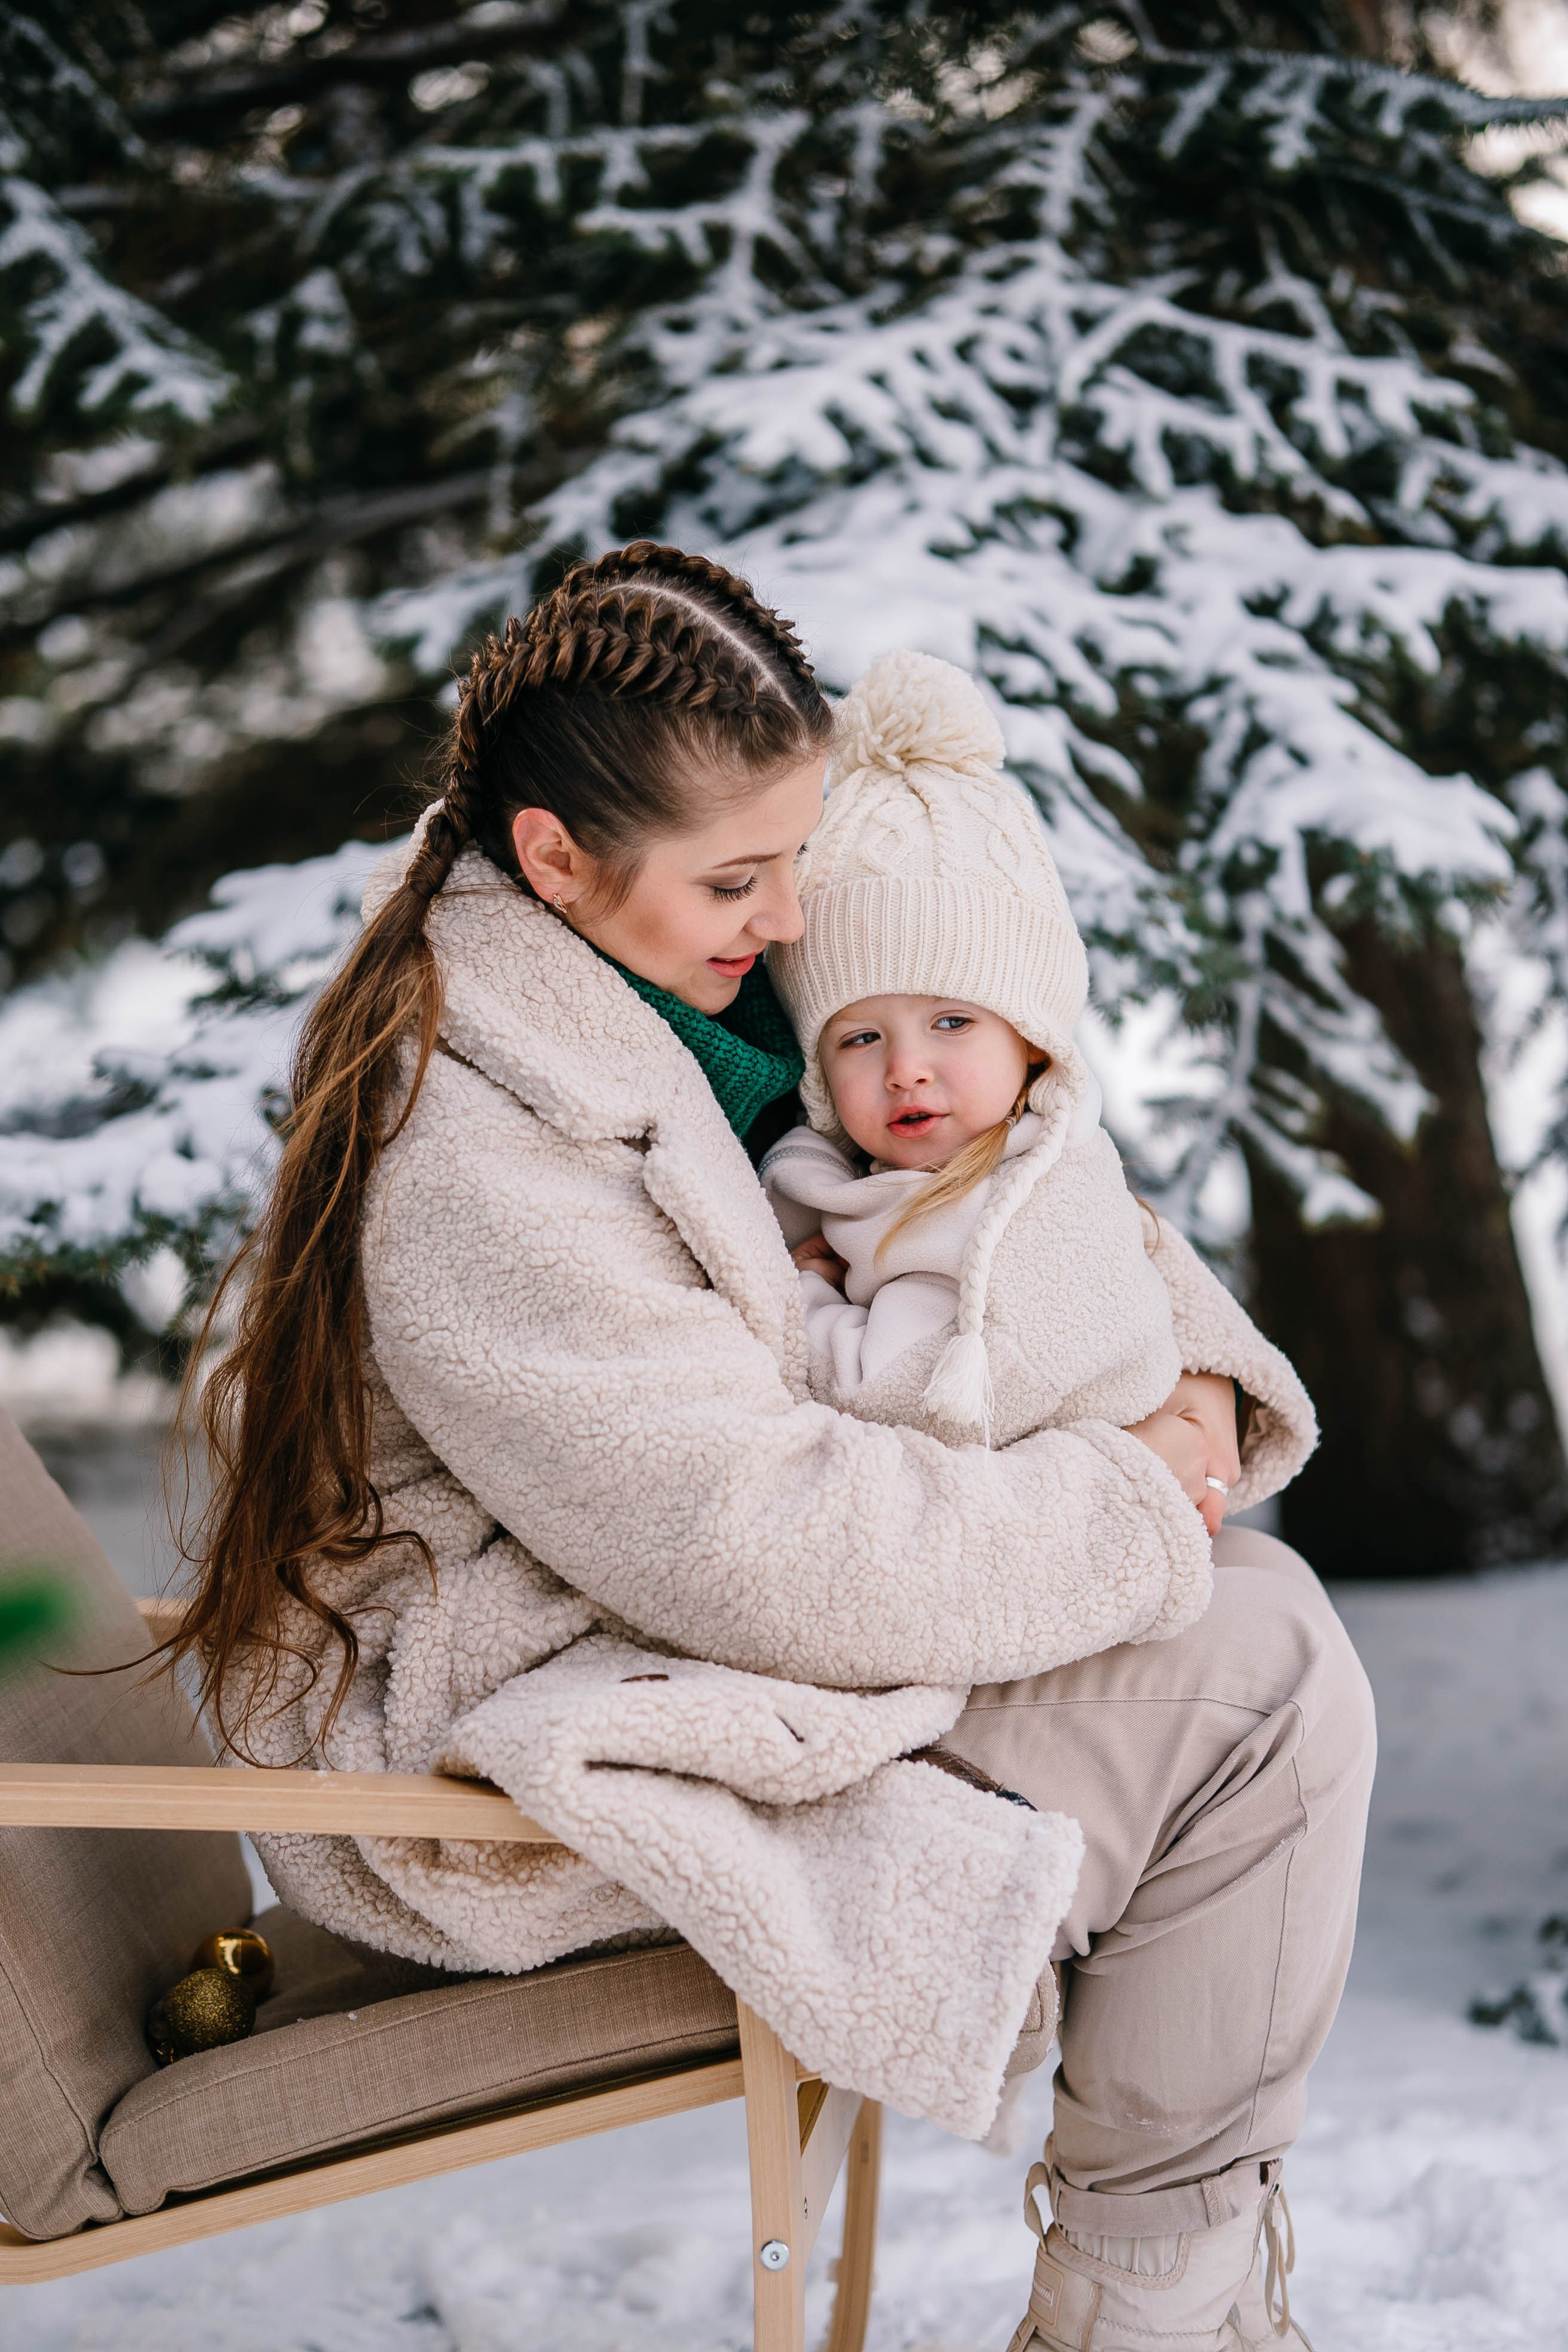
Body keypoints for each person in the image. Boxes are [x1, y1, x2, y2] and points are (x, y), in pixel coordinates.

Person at [174, 541, 1374, 2350]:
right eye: (745, 875)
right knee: (1261, 1672)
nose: (795, 919)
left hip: (658, 1629)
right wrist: (1141, 1491)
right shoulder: (471, 1153)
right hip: (514, 1746)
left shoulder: (675, 987)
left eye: (797, 861)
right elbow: (771, 1546)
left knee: (1252, 1618)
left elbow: (1012, 1175)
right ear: (554, 860)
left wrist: (1187, 1386)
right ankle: (1156, 2310)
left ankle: (1158, 2285)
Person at [760, 650, 1313, 1533]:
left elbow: (901, 1401)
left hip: (1080, 1521)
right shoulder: (868, 1184)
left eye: (952, 1023)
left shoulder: (1022, 1202)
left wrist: (804, 1301)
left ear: (1032, 1042)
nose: (906, 1067)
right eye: (861, 1038)